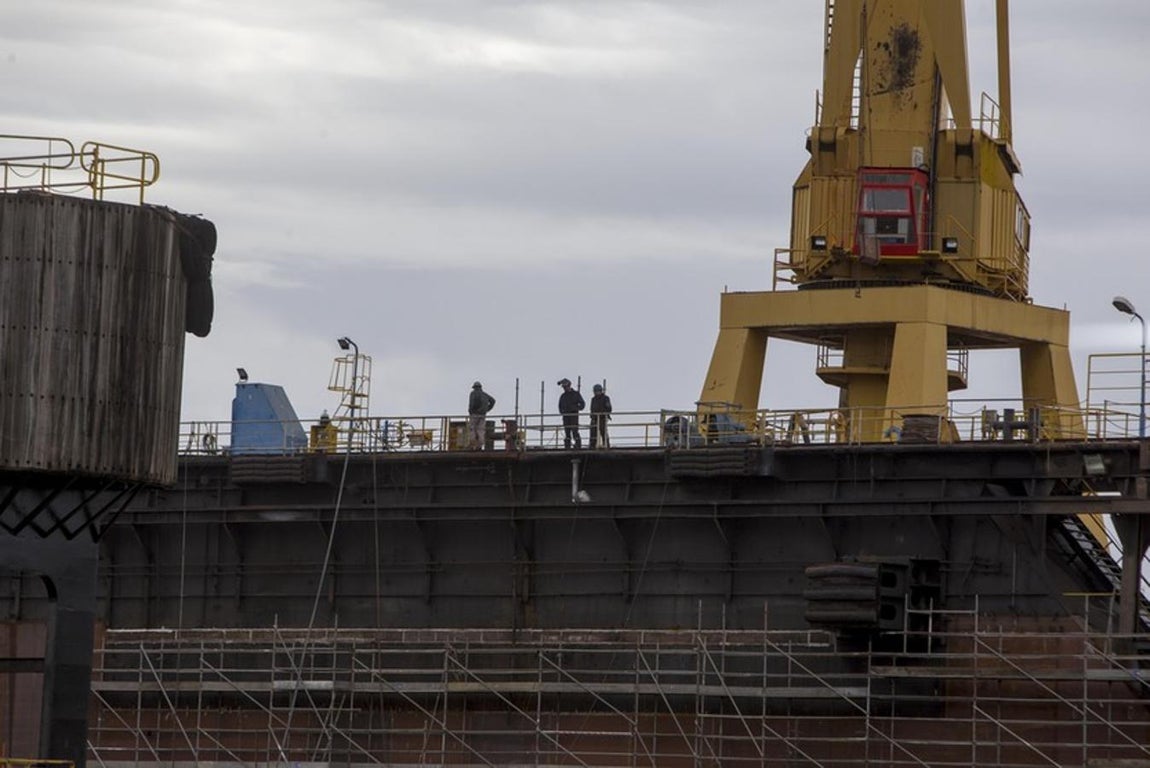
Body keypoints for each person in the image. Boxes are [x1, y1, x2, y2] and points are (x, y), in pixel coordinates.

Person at [557, 378, 585, 449]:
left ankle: (578, 446)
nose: (564, 388)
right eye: (563, 387)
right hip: (566, 417)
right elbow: (560, 406)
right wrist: (563, 412)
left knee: (575, 431)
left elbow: (582, 404)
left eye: (565, 387)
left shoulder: (576, 394)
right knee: (567, 432)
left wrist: (575, 408)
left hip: (573, 416)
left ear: (569, 386)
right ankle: (567, 447)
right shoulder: (563, 396)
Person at [468, 381, 496, 450]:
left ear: (474, 387)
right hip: (483, 415)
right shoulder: (485, 394)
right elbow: (493, 401)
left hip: (474, 414)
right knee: (480, 430)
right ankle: (479, 446)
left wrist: (471, 411)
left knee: (472, 429)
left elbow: (471, 403)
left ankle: (473, 446)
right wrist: (487, 409)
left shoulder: (473, 393)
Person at [589, 383, 612, 448]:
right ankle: (592, 445)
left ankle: (606, 445)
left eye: (597, 391)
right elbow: (592, 409)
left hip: (602, 418)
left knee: (603, 431)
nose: (596, 393)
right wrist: (592, 417)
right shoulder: (593, 399)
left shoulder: (606, 398)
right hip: (594, 418)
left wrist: (604, 413)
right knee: (593, 432)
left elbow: (609, 408)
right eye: (595, 391)